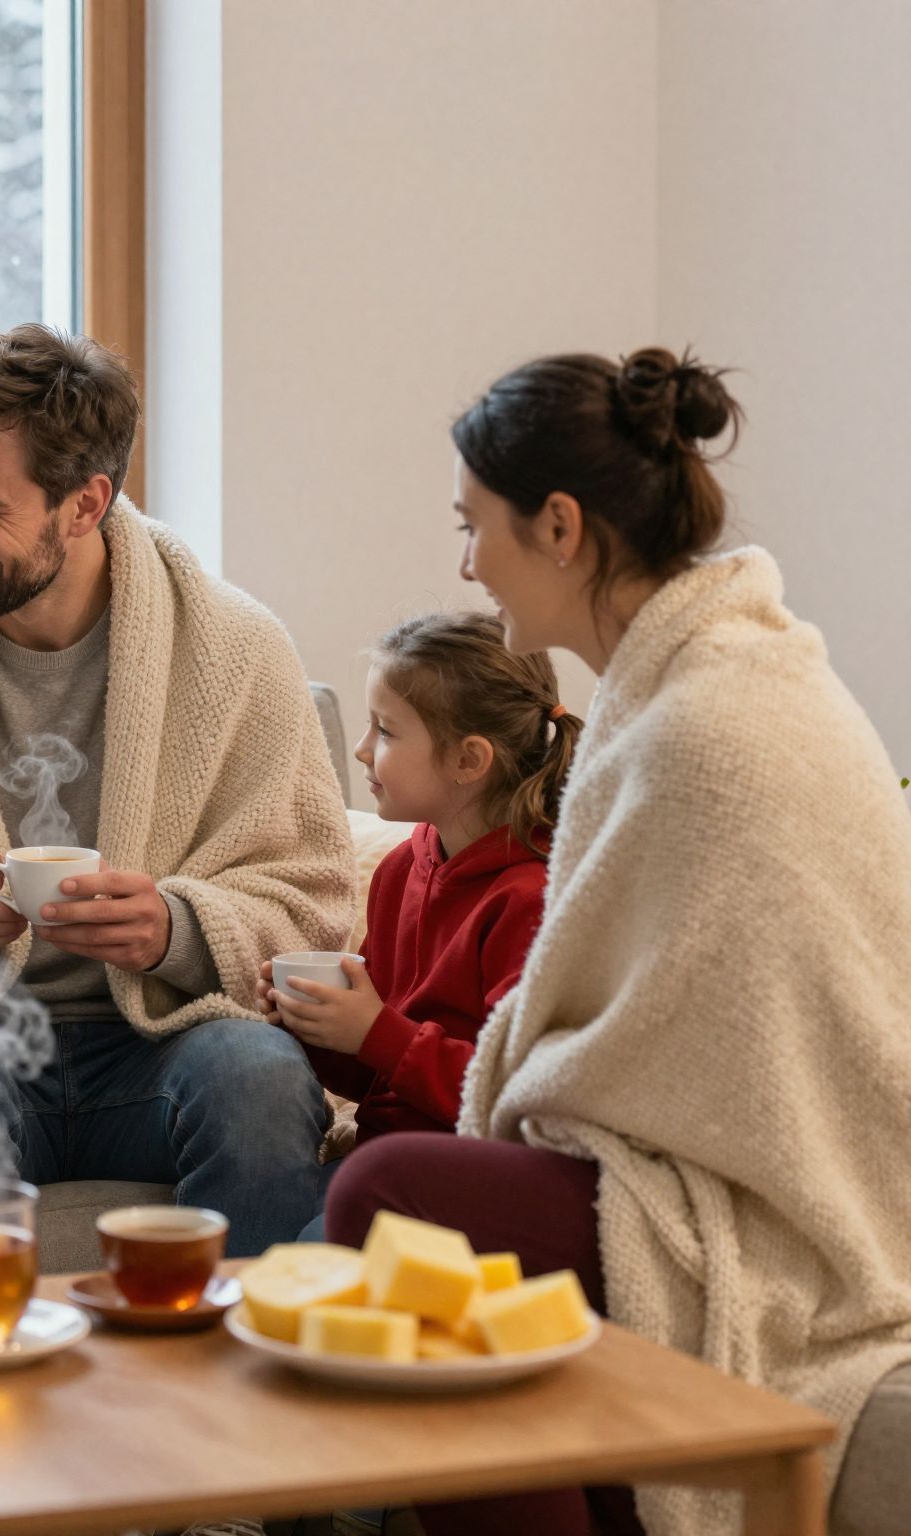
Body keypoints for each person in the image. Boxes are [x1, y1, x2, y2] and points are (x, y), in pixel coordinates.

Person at [325, 349, 911, 1536]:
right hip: (713, 1155)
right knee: (395, 1195)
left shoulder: (704, 726)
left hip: (781, 1201)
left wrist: (494, 1087)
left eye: (469, 525)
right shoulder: (699, 684)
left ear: (556, 526)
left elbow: (690, 1041)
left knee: (392, 1193)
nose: (462, 562)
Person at [0, 324, 356, 1255]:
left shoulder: (239, 652)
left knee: (256, 1075)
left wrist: (176, 930)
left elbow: (317, 900)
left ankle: (231, 1390)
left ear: (85, 503)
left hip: (170, 1044)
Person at [262, 611, 575, 1239]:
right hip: (381, 1162)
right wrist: (317, 1030)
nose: (360, 748)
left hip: (467, 1181)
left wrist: (377, 1033)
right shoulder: (402, 867)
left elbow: (519, 1098)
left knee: (305, 1249)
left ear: (469, 759)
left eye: (385, 730)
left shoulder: (533, 899)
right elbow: (379, 1072)